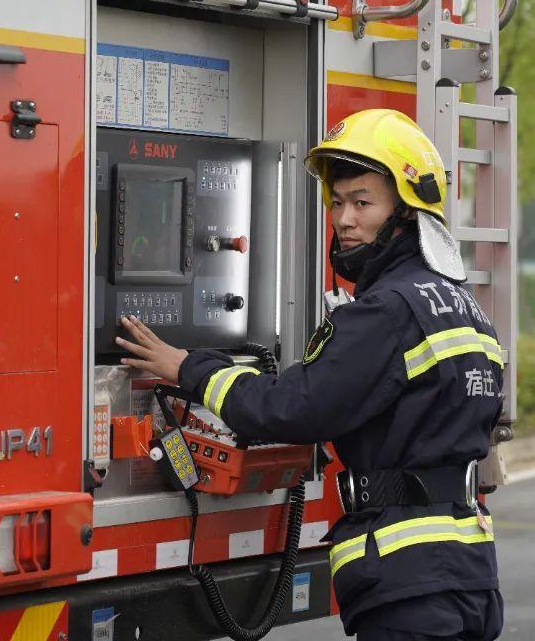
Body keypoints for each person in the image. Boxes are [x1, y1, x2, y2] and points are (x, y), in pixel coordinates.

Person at [116, 109, 505, 641]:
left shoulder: (387, 311)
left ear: (406, 213)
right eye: (337, 202)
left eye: (363, 203)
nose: (344, 219)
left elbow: (294, 407)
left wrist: (187, 367)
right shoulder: (461, 302)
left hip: (412, 581)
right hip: (468, 571)